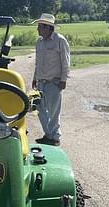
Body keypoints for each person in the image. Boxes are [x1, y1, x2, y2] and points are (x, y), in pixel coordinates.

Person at [31, 13, 70, 146]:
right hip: (41, 82)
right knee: (40, 110)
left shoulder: (60, 40)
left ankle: (55, 137)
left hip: (54, 82)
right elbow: (38, 62)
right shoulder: (39, 42)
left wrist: (64, 80)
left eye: (40, 27)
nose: (38, 29)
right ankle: (48, 135)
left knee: (54, 112)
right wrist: (35, 78)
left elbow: (65, 62)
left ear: (48, 28)